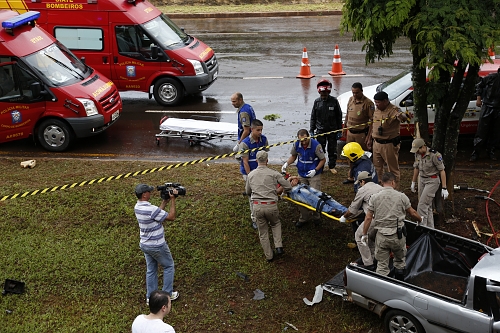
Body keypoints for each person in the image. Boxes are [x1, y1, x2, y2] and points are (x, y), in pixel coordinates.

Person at [361, 172, 422, 279]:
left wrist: (364, 234)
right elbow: (412, 213)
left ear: (382, 182)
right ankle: (399, 282)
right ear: (393, 182)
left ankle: (382, 288)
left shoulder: (374, 198)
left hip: (382, 236)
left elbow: (368, 218)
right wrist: (420, 220)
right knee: (399, 261)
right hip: (397, 236)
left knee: (382, 265)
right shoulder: (401, 197)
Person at [134, 183, 179, 304]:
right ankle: (167, 295)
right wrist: (173, 201)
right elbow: (171, 217)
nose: (150, 193)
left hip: (145, 244)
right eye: (148, 191)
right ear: (144, 195)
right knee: (169, 266)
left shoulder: (138, 207)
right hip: (157, 245)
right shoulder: (150, 209)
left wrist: (165, 202)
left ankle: (150, 297)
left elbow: (156, 215)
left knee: (151, 270)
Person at [245, 151, 292, 262]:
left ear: (256, 161)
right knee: (276, 224)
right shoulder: (274, 174)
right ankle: (278, 246)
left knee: (263, 232)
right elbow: (288, 186)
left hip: (257, 207)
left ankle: (269, 256)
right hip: (271, 206)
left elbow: (247, 191)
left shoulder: (250, 175)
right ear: (267, 160)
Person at [281, 129, 326, 227]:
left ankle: (316, 216)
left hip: (314, 174)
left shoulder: (316, 145)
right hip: (302, 174)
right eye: (301, 140)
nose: (303, 142)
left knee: (315, 195)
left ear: (308, 137)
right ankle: (304, 217)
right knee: (300, 195)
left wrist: (315, 169)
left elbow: (323, 159)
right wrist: (286, 163)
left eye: (305, 140)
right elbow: (293, 156)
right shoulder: (297, 145)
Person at [339, 171, 383, 270]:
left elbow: (352, 209)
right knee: (371, 237)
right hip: (386, 218)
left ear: (362, 181)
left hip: (374, 218)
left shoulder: (363, 190)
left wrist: (344, 217)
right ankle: (374, 258)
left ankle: (368, 264)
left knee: (359, 236)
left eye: (360, 182)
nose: (359, 184)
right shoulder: (380, 188)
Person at [369, 91, 408, 190]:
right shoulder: (377, 110)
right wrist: (369, 138)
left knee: (392, 170)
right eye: (375, 102)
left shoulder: (393, 110)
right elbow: (373, 124)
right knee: (377, 169)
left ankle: (395, 190)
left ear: (385, 101)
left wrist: (401, 116)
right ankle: (379, 189)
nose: (377, 105)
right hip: (376, 143)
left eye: (378, 102)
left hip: (389, 144)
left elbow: (402, 117)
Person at [410, 138, 448, 228]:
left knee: (422, 206)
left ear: (423, 147)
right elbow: (416, 168)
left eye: (418, 150)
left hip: (432, 180)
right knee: (428, 206)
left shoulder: (434, 155)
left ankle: (422, 227)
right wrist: (413, 182)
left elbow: (442, 171)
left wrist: (444, 187)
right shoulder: (417, 154)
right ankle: (430, 228)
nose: (417, 152)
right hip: (422, 180)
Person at [239, 119, 269, 229]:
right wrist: (251, 176)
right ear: (252, 129)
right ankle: (255, 219)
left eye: (261, 130)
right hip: (249, 172)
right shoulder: (245, 143)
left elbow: (265, 156)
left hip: (261, 171)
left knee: (263, 192)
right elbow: (245, 161)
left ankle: (264, 215)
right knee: (253, 196)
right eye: (258, 130)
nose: (260, 132)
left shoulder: (264, 140)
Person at [343, 82, 375, 183]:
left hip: (361, 134)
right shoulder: (351, 100)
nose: (355, 95)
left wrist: (369, 137)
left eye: (357, 93)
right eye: (353, 93)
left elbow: (372, 121)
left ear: (361, 91)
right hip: (350, 133)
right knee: (349, 155)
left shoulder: (368, 103)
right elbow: (348, 114)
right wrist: (345, 127)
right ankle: (351, 175)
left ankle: (364, 176)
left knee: (361, 156)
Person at [310, 79, 343, 174]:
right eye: (322, 95)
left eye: (325, 94)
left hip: (332, 131)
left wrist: (339, 130)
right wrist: (312, 130)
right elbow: (313, 117)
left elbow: (339, 116)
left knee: (332, 150)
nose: (323, 96)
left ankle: (332, 166)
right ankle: (321, 167)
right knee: (320, 150)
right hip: (320, 131)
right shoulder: (317, 102)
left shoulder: (334, 101)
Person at [470, 67, 500, 162]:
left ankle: (491, 151)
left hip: (498, 109)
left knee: (496, 132)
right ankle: (476, 152)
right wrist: (478, 98)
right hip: (487, 106)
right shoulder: (491, 77)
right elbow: (479, 85)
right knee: (481, 131)